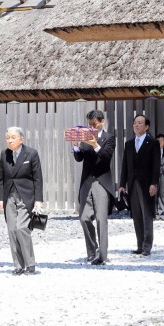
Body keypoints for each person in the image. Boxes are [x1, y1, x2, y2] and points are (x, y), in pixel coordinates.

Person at [0, 126, 44, 275]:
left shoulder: (31, 154)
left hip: (26, 196)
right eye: (7, 138)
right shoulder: (4, 154)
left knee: (22, 228)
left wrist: (38, 200)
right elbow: (1, 178)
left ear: (21, 139)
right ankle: (18, 265)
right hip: (9, 196)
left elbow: (38, 178)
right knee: (11, 230)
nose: (10, 140)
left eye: (13, 137)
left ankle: (30, 264)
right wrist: (0, 199)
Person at [71, 109, 116, 265]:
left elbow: (106, 158)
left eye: (94, 124)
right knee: (84, 218)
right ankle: (92, 251)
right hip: (87, 181)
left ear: (102, 122)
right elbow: (79, 158)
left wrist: (95, 144)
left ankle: (102, 256)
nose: (91, 127)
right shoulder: (85, 137)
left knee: (101, 219)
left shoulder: (109, 137)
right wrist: (76, 146)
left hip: (101, 182)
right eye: (89, 124)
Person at [118, 115, 160, 255]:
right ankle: (140, 245)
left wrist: (154, 183)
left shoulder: (153, 143)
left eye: (140, 123)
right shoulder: (129, 144)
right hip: (132, 183)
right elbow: (125, 165)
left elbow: (156, 165)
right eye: (135, 123)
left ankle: (147, 246)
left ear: (146, 127)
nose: (136, 125)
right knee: (136, 215)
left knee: (146, 214)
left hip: (147, 184)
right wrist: (122, 184)